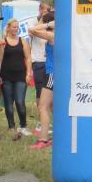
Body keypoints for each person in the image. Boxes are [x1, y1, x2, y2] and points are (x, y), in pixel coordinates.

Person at [0, 18, 33, 139]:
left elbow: (28, 58)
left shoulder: (23, 41)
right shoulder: (3, 42)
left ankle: (23, 126)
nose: (16, 29)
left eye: (17, 27)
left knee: (20, 101)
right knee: (8, 102)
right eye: (13, 27)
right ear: (8, 27)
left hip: (20, 76)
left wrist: (28, 73)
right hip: (6, 76)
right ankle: (11, 127)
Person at [29, 10, 55, 149]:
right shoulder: (57, 35)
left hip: (52, 74)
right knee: (53, 108)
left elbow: (32, 29)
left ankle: (43, 139)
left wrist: (49, 24)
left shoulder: (52, 35)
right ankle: (58, 137)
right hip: (53, 73)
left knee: (43, 107)